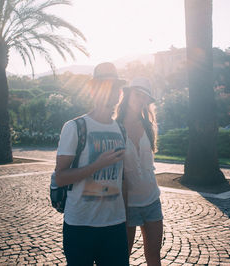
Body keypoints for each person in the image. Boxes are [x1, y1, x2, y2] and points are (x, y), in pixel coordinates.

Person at [55, 62, 129, 266]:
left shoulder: (121, 130)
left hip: (114, 225)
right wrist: (97, 165)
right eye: (106, 85)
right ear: (93, 90)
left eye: (116, 87)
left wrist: (126, 216)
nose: (112, 91)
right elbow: (60, 177)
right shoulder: (75, 127)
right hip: (80, 225)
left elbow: (122, 178)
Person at [116, 77, 163, 266]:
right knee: (122, 257)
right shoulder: (115, 127)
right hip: (127, 204)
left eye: (145, 97)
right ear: (127, 95)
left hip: (152, 200)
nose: (141, 100)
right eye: (137, 94)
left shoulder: (148, 126)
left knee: (154, 255)